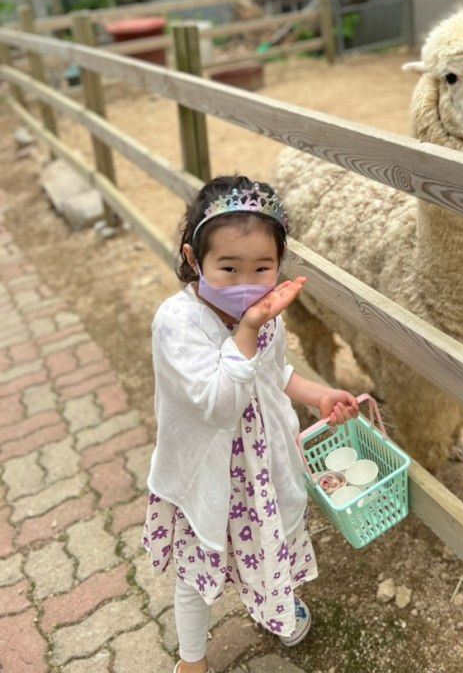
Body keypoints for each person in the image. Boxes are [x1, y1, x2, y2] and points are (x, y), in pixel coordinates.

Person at [142, 174, 360, 673]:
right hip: (209, 473)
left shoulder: (267, 315)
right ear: (194, 260)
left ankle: (274, 604)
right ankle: (192, 659)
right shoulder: (177, 324)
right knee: (199, 570)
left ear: (280, 263)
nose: (245, 283)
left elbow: (273, 372)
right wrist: (247, 330)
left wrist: (319, 394)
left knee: (276, 537)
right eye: (227, 268)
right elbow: (218, 406)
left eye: (262, 267)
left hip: (266, 466)